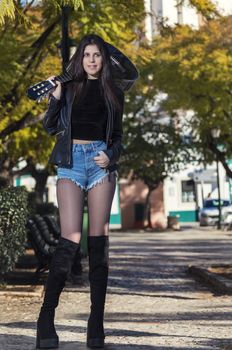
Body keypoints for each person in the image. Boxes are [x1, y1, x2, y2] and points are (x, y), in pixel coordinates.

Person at [36, 34, 125, 349]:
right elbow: (49, 127)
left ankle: (96, 322)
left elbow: (117, 136)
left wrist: (110, 156)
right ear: (79, 58)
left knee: (99, 241)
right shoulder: (69, 88)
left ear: (103, 60)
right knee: (70, 239)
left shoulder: (114, 92)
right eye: (86, 54)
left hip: (101, 164)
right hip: (71, 163)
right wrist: (56, 98)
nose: (91, 60)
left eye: (97, 55)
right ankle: (46, 318)